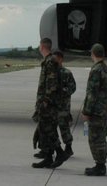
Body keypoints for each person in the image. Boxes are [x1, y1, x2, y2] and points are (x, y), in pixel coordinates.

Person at [32, 37, 68, 169]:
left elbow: (52, 84)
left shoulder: (50, 62)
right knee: (44, 129)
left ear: (42, 46)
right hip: (46, 101)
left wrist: (46, 101)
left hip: (48, 103)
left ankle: (60, 152)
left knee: (48, 129)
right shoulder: (49, 61)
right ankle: (48, 157)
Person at [81, 43, 107, 176]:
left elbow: (92, 93)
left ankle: (100, 165)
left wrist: (86, 111)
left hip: (95, 110)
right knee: (101, 135)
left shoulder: (96, 70)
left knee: (95, 137)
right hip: (103, 108)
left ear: (93, 54)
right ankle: (100, 163)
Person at [54, 50, 76, 157]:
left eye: (56, 58)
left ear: (61, 59)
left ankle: (68, 147)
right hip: (52, 105)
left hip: (63, 106)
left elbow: (72, 88)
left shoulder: (67, 73)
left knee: (64, 126)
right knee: (50, 127)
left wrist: (62, 90)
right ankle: (48, 149)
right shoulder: (50, 73)